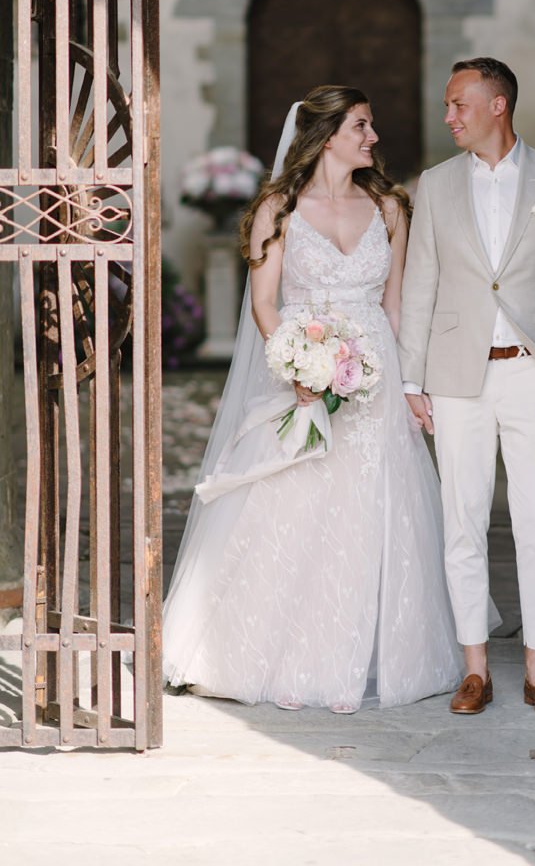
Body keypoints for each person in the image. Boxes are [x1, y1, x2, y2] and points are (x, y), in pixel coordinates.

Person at [163, 86, 461, 712]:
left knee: (376, 510)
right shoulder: (279, 208)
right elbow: (265, 303)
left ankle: (376, 647)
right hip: (304, 372)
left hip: (375, 375)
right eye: (362, 125)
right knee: (294, 511)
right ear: (328, 136)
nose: (373, 138)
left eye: (371, 125)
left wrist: (411, 384)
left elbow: (396, 303)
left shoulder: (388, 206)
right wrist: (301, 366)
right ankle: (283, 653)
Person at [399, 58, 535, 715]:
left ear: (498, 104)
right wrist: (411, 379)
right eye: (447, 104)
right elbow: (421, 285)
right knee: (461, 520)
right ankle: (475, 669)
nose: (449, 116)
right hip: (456, 374)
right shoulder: (433, 185)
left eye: (458, 103)